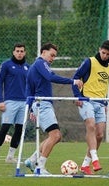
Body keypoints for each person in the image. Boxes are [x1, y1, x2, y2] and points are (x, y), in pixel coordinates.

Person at [24, 42, 83, 175]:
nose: (52, 59)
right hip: (42, 104)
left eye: (54, 56)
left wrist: (31, 109)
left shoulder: (36, 67)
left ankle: (32, 160)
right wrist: (73, 81)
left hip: (41, 104)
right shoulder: (40, 63)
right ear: (43, 52)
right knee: (55, 135)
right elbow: (51, 77)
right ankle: (40, 168)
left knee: (54, 136)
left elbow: (29, 89)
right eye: (51, 55)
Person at [72, 40, 109, 175]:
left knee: (100, 135)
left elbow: (104, 86)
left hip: (100, 103)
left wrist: (105, 103)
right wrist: (78, 96)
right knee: (90, 125)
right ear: (99, 49)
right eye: (103, 52)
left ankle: (85, 165)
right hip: (86, 101)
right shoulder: (89, 62)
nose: (105, 56)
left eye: (108, 54)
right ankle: (95, 160)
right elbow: (75, 78)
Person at [0, 43, 29, 164]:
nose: (19, 53)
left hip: (24, 102)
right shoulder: (6, 65)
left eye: (22, 51)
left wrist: (29, 103)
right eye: (17, 51)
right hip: (10, 101)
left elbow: (31, 85)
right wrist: (1, 100)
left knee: (19, 129)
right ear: (13, 52)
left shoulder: (28, 67)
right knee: (5, 127)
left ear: (25, 53)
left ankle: (10, 157)